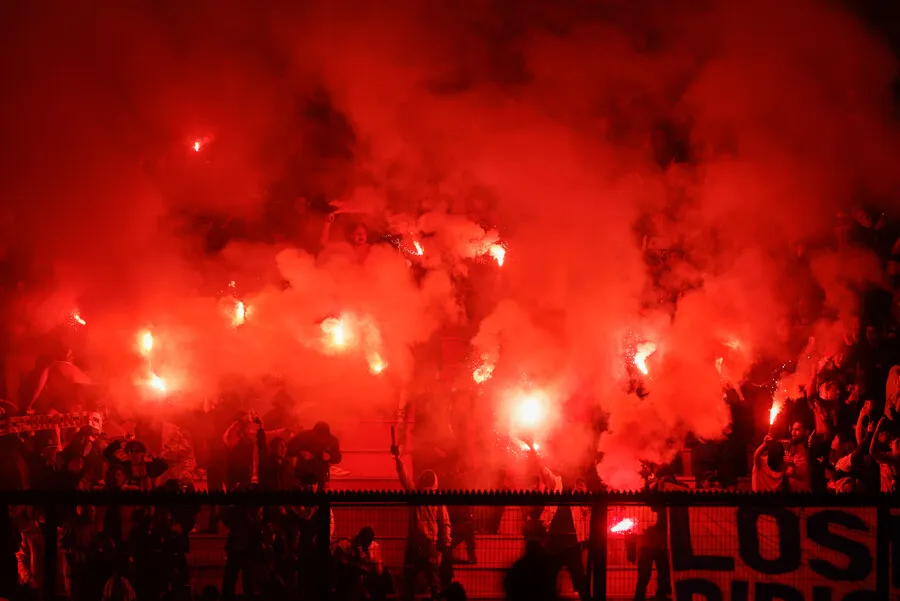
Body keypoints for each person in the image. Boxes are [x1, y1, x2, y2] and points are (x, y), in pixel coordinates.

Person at [391, 442, 451, 601]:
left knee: (419, 578)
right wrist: (397, 459)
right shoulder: (426, 496)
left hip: (421, 543)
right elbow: (445, 523)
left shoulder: (418, 495)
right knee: (428, 578)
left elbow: (445, 523)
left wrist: (444, 543)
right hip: (424, 542)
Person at [287, 421, 342, 489]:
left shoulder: (332, 440)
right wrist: (301, 453)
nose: (321, 438)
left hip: (321, 477)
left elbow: (338, 458)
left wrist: (330, 457)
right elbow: (287, 449)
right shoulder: (303, 437)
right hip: (304, 476)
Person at [869, 417, 900, 493]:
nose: (884, 433)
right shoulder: (887, 456)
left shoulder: (894, 457)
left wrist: (876, 430)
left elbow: (872, 451)